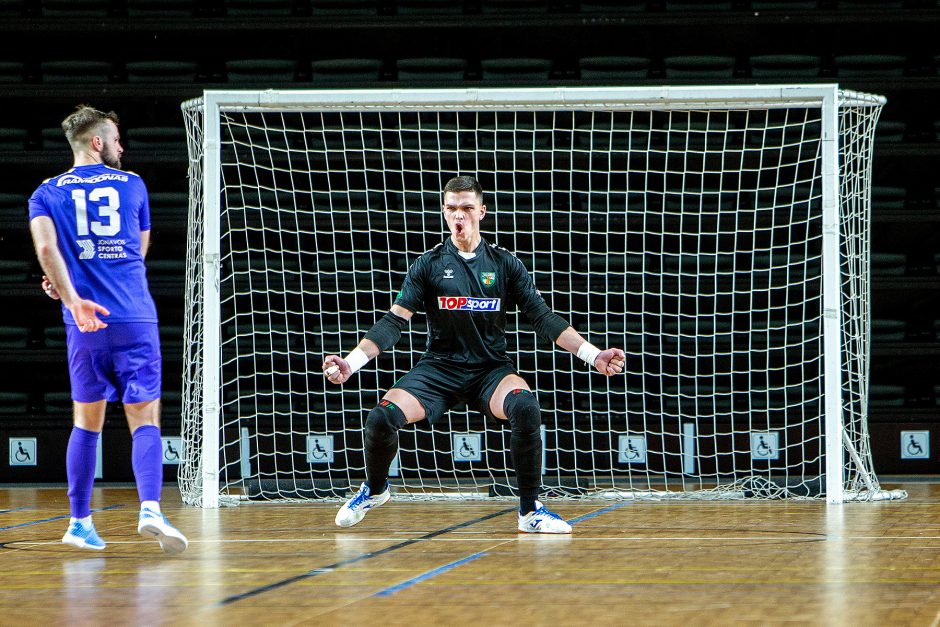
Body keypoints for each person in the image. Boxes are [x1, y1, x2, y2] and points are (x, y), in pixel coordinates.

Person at [323, 175, 625, 534]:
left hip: (490, 370)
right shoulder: (428, 264)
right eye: (452, 208)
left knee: (525, 406)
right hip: (439, 369)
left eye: (467, 208)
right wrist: (352, 362)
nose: (459, 215)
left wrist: (593, 355)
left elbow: (543, 318)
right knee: (381, 418)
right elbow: (393, 322)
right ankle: (375, 490)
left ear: (481, 211)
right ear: (444, 213)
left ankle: (530, 511)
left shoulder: (504, 264)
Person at [28, 105, 188, 554]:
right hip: (133, 316)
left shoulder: (44, 192)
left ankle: (79, 522)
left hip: (84, 322)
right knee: (145, 419)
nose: (121, 146)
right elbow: (137, 252)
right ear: (97, 142)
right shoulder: (133, 183)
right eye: (115, 138)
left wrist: (68, 292)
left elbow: (45, 248)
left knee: (86, 422)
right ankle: (151, 509)